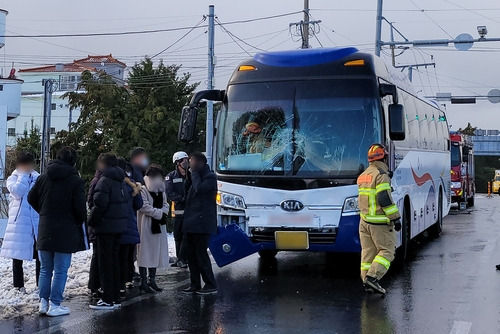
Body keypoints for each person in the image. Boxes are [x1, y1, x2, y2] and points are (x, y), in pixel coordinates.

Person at [28, 147, 87, 317]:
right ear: (73, 162)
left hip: (45, 226)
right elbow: (80, 209)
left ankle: (43, 302)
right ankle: (55, 304)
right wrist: (77, 220)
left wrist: (44, 212)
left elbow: (31, 198)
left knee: (46, 268)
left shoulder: (44, 176)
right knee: (61, 269)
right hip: (66, 229)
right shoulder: (75, 180)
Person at [357, 144, 401, 295]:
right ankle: (372, 278)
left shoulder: (363, 175)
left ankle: (366, 281)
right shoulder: (381, 174)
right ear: (384, 157)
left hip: (364, 222)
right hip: (379, 222)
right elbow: (384, 198)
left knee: (368, 253)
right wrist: (395, 218)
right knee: (387, 251)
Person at [88, 153, 128, 310]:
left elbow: (99, 205)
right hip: (118, 226)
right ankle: (115, 297)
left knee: (104, 264)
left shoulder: (104, 181)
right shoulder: (120, 180)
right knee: (114, 262)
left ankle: (107, 298)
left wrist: (91, 221)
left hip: (105, 227)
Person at [0, 152, 40, 292]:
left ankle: (39, 284)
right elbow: (18, 192)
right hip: (19, 222)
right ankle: (18, 285)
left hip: (35, 220)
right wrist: (23, 175)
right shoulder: (13, 178)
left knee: (39, 253)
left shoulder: (37, 177)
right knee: (17, 255)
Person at [181, 152, 218, 295]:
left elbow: (199, 189)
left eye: (193, 162)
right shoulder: (194, 176)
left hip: (202, 223)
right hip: (191, 221)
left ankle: (210, 283)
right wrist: (188, 176)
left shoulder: (210, 177)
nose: (191, 165)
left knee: (201, 254)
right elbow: (188, 191)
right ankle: (194, 283)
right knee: (191, 255)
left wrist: (194, 173)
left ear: (201, 163)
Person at [136, 164, 170, 293]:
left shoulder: (161, 190)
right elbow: (143, 206)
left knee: (156, 252)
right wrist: (159, 212)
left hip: (159, 225)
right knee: (145, 253)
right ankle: (143, 281)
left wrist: (163, 211)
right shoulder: (143, 189)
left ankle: (152, 280)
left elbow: (166, 203)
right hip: (146, 225)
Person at [117, 157, 142, 294]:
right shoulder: (133, 185)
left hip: (118, 224)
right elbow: (139, 204)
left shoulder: (115, 183)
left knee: (119, 255)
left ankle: (119, 284)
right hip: (131, 223)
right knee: (128, 255)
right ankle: (128, 279)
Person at [166, 151, 189, 268]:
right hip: (178, 209)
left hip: (190, 209)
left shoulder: (191, 175)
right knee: (178, 234)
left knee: (186, 234)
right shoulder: (171, 176)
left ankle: (182, 258)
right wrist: (182, 199)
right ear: (177, 162)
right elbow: (169, 193)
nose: (186, 162)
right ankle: (179, 258)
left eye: (187, 160)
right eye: (183, 160)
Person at [87, 159, 105, 298]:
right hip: (98, 224)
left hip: (98, 223)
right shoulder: (97, 181)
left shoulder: (99, 180)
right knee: (97, 256)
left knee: (99, 256)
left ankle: (95, 285)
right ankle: (93, 286)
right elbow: (91, 201)